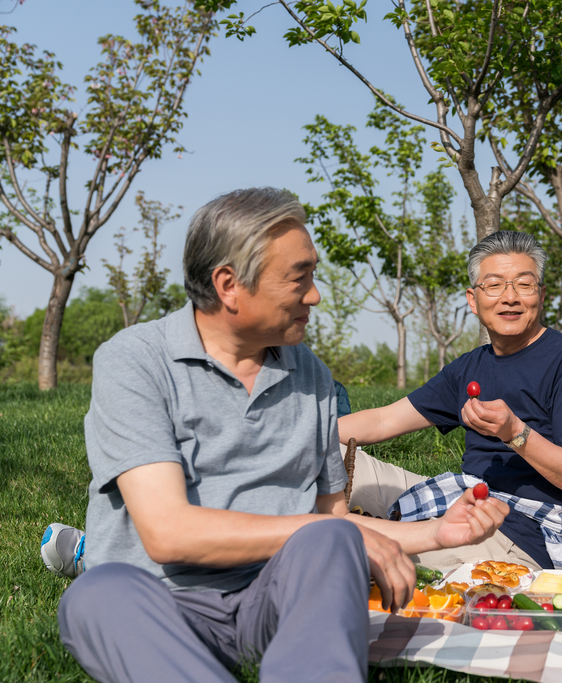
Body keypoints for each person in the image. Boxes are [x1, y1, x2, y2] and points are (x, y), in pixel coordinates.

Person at [54, 188, 509, 683]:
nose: (314, 294)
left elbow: (332, 525)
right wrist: (323, 531)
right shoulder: (135, 360)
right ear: (228, 284)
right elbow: (167, 533)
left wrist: (437, 533)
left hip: (274, 604)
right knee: (95, 595)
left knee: (331, 539)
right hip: (159, 601)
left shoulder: (310, 374)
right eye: (300, 277)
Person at [339, 230, 562, 571]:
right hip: (463, 499)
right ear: (472, 299)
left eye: (523, 285)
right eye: (494, 285)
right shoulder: (470, 365)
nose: (509, 298)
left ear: (541, 295)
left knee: (358, 551)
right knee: (322, 456)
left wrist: (515, 433)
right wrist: (299, 436)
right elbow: (383, 421)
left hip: (518, 533)